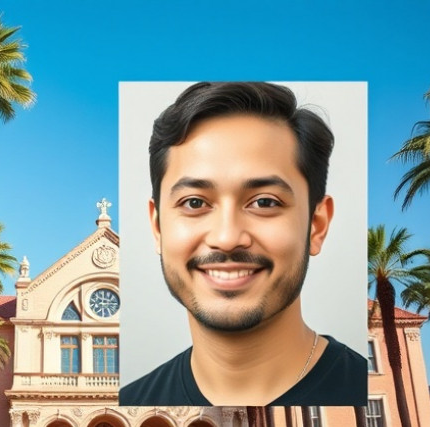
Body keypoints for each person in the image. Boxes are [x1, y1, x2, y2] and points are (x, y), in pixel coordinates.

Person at [118, 82, 367, 407]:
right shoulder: (135, 397)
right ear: (157, 228)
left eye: (264, 202)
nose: (227, 237)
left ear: (316, 225)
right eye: (194, 203)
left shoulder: (357, 384)